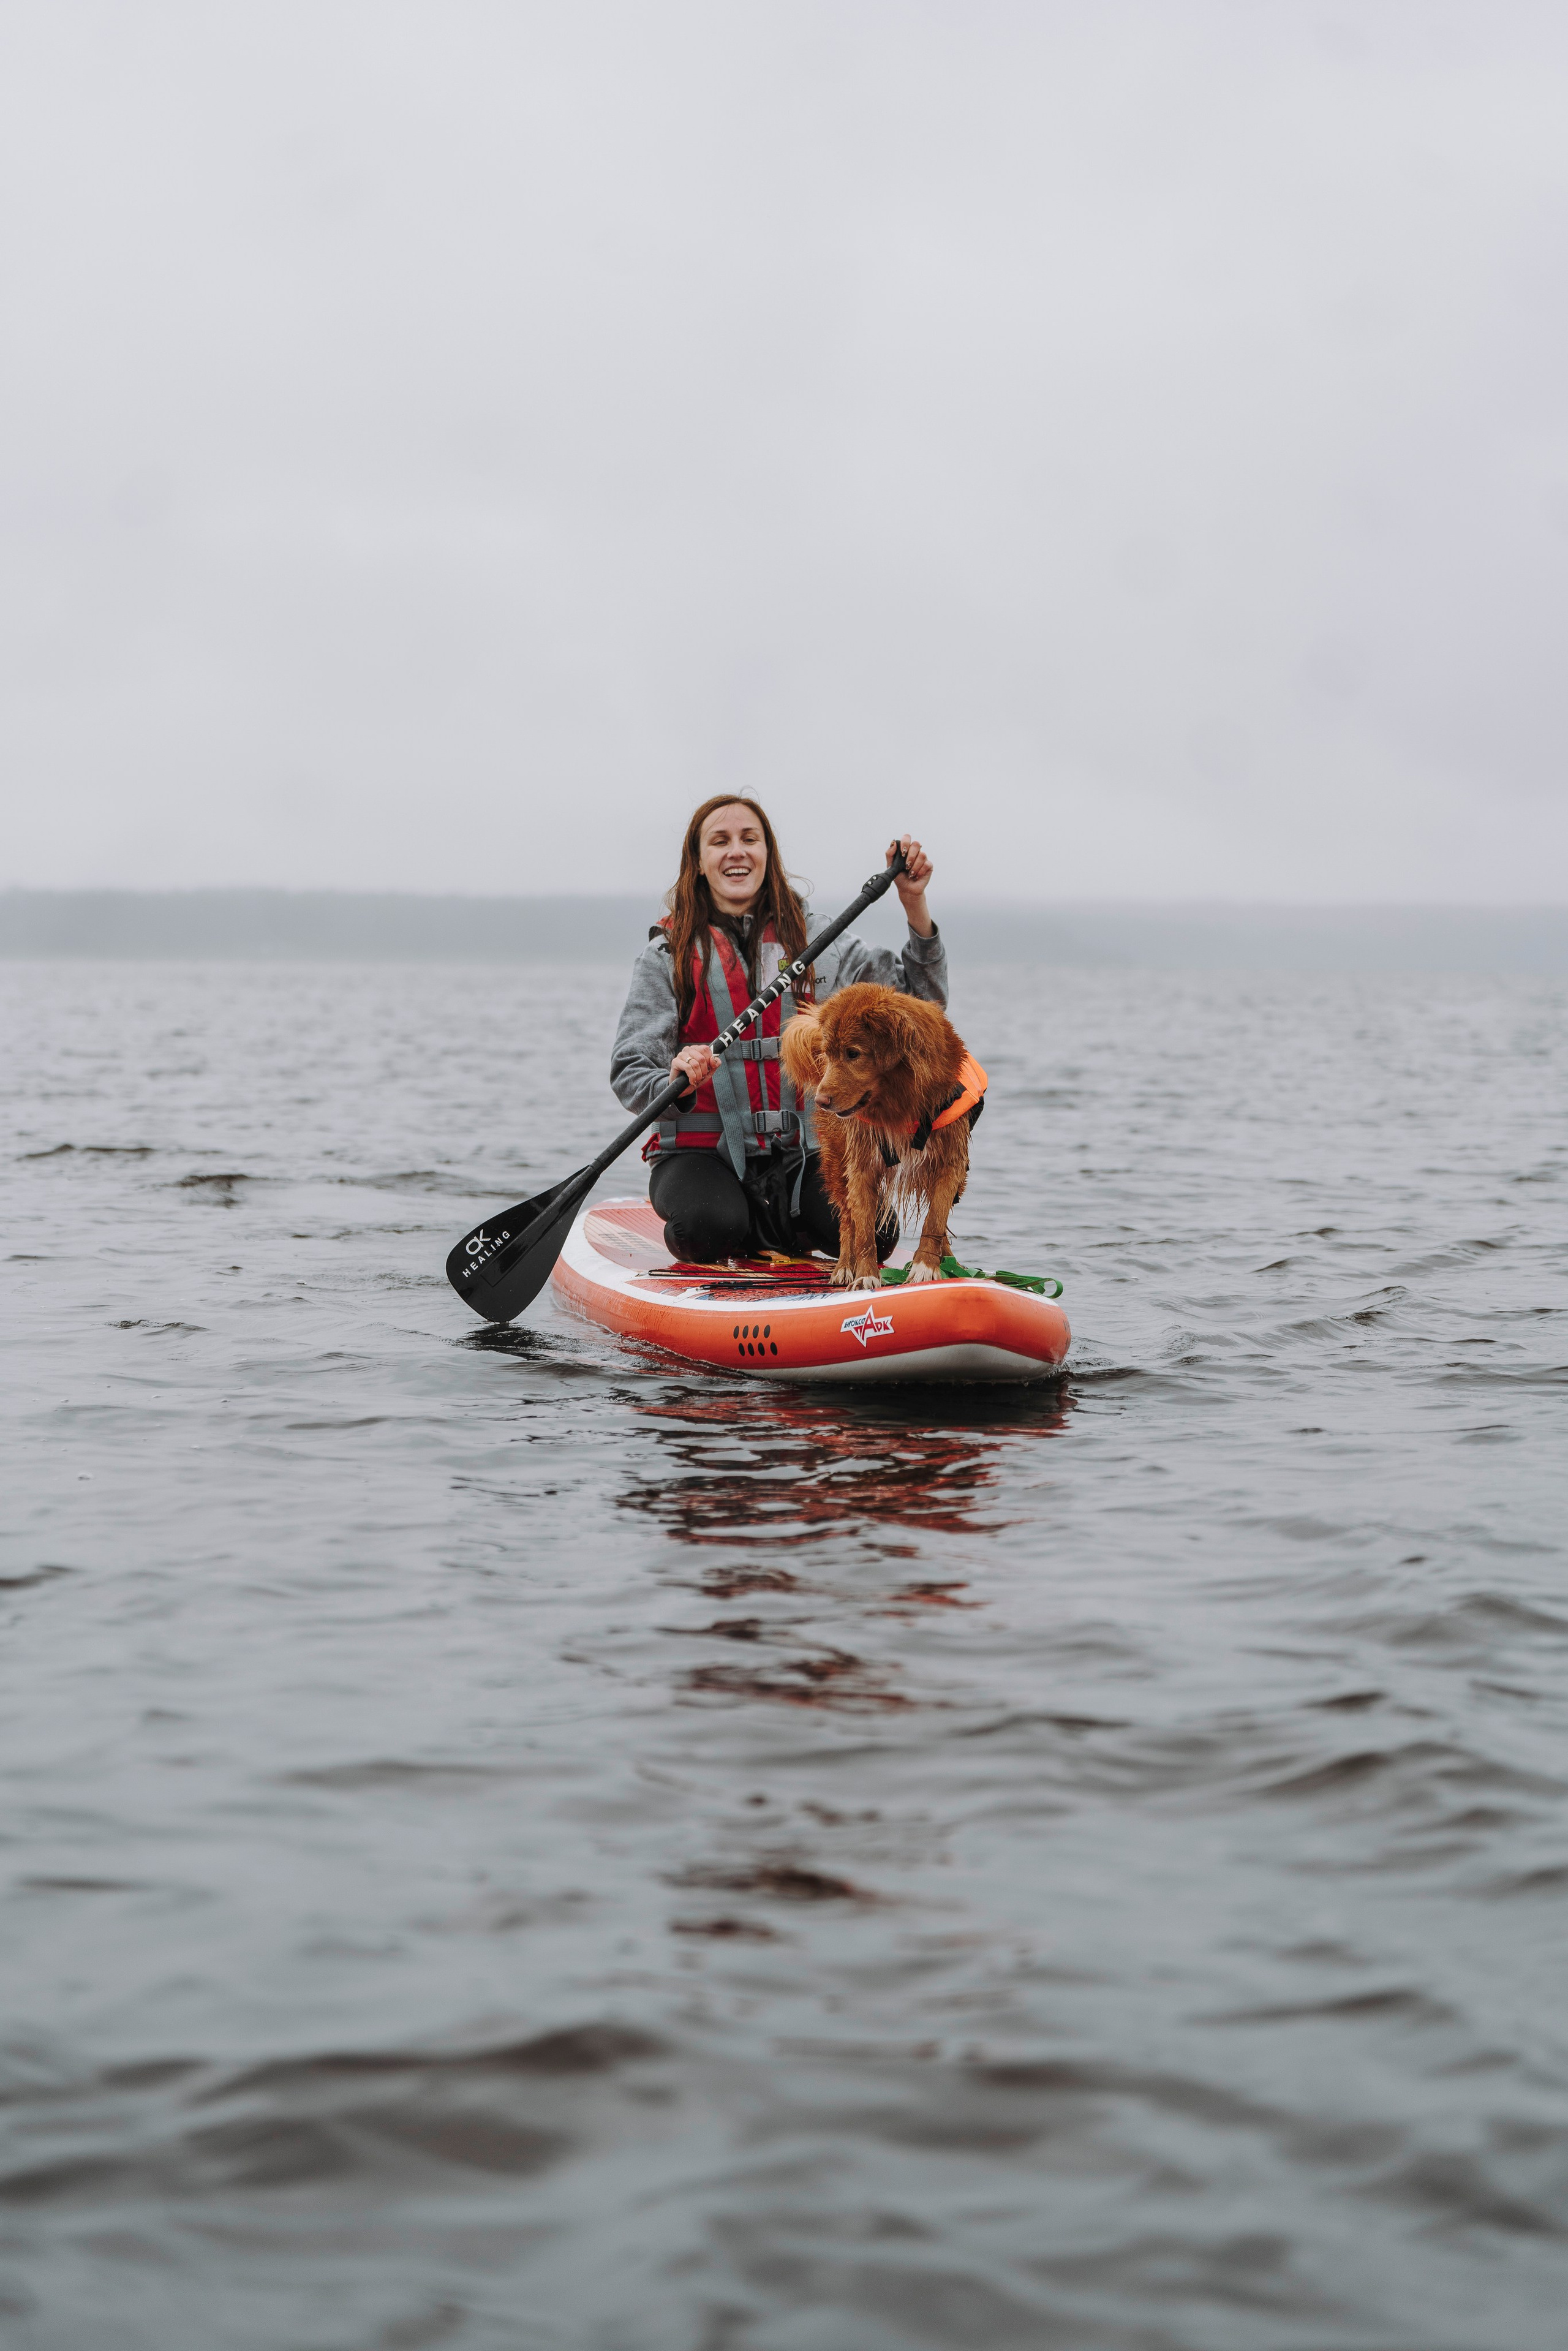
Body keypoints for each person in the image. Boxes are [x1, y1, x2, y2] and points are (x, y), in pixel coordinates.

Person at [609, 796, 947, 1266]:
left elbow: (924, 1006)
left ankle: (777, 1226)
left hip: (803, 1155)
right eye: (720, 841)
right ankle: (741, 1223)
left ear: (768, 855)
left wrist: (915, 904)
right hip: (701, 1158)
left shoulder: (820, 941)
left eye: (750, 839)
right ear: (699, 862)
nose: (737, 852)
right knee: (703, 1229)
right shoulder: (666, 955)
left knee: (881, 1233)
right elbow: (629, 1069)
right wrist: (674, 1079)